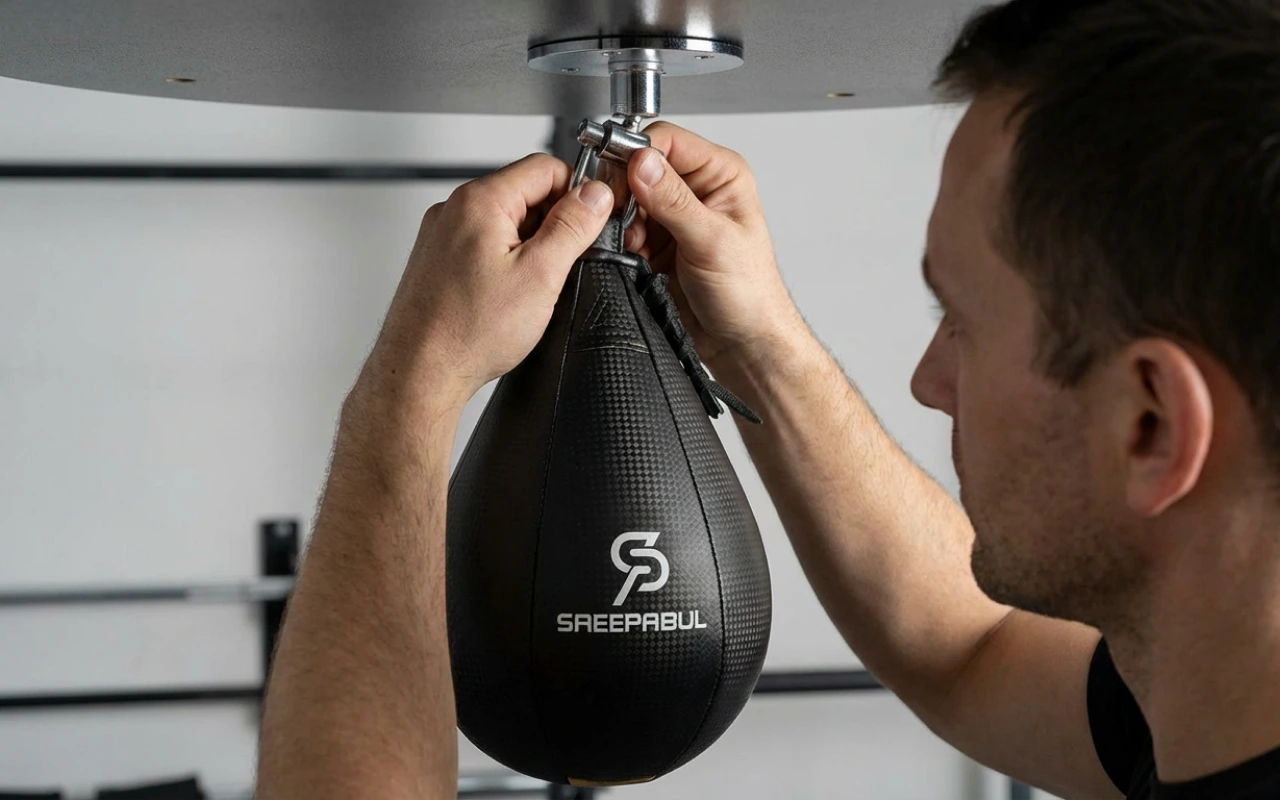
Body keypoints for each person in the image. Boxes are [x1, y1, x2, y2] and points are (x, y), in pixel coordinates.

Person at [254, 1, 1280, 798]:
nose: (927, 380)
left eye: (961, 322)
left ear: (1150, 424)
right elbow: (969, 646)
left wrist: (411, 385)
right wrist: (756, 342)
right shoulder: (1199, 699)